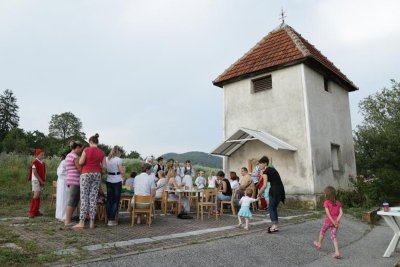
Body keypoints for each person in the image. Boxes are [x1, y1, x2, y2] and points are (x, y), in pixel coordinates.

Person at [73, 133, 106, 230]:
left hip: (86, 174)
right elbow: (104, 167)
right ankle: (92, 222)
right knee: (93, 198)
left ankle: (82, 222)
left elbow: (81, 162)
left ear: (90, 142)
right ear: (97, 142)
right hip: (96, 175)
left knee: (84, 197)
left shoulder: (86, 150)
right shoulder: (102, 153)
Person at [314, 186, 343, 259]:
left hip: (328, 222)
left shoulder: (326, 202)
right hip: (335, 223)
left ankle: (319, 243)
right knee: (333, 236)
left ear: (327, 194)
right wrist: (336, 221)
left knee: (322, 231)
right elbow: (341, 213)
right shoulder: (338, 203)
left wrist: (333, 221)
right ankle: (337, 252)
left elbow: (328, 214)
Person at [258, 156, 285, 233]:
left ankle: (274, 226)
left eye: (261, 164)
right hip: (280, 189)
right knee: (273, 208)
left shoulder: (266, 171)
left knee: (271, 208)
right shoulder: (272, 169)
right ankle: (275, 226)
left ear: (265, 163)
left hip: (274, 190)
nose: (259, 165)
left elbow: (265, 185)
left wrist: (259, 193)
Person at [64, 141, 83, 226]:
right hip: (75, 180)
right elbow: (79, 169)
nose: (81, 151)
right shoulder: (74, 156)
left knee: (74, 200)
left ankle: (68, 219)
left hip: (70, 179)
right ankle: (67, 221)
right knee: (73, 200)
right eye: (80, 149)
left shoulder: (68, 155)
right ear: (77, 147)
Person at [105, 145, 125, 226]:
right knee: (116, 200)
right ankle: (111, 219)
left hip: (109, 179)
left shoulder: (107, 158)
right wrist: (123, 170)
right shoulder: (118, 160)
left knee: (109, 200)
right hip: (117, 180)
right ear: (118, 152)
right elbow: (122, 172)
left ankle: (108, 217)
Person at [28, 149, 46, 219]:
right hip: (36, 180)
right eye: (41, 155)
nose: (43, 156)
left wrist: (43, 180)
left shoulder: (42, 163)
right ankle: (31, 212)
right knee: (36, 196)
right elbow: (35, 173)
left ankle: (36, 211)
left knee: (38, 196)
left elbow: (43, 172)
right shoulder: (35, 162)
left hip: (41, 180)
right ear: (37, 155)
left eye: (43, 155)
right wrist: (40, 180)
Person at [55, 152, 68, 222]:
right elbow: (60, 173)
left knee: (63, 199)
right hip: (63, 182)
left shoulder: (63, 162)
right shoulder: (64, 162)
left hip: (63, 182)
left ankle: (62, 215)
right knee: (63, 199)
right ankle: (63, 216)